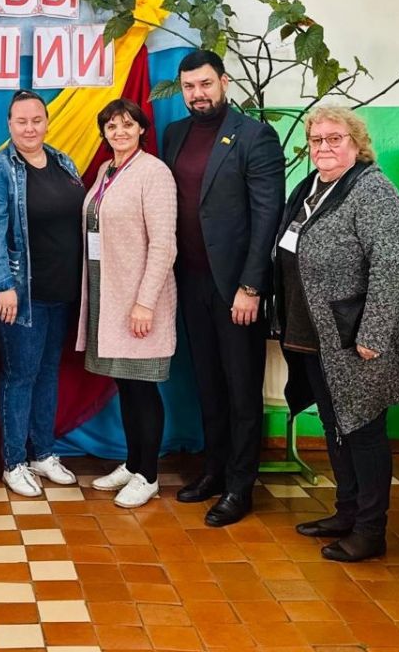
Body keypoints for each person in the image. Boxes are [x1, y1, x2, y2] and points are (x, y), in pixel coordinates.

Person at [274, 106, 399, 562]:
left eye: (335, 138)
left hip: (355, 335)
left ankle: (370, 531)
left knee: (363, 430)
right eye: (317, 139)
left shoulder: (374, 191)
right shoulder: (311, 187)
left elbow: (391, 267)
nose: (324, 147)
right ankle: (346, 512)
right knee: (336, 425)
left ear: (357, 144)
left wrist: (373, 334)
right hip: (314, 333)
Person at [161, 50, 285, 527]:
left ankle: (240, 486)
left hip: (236, 289)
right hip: (190, 281)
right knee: (207, 384)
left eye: (206, 84)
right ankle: (213, 471)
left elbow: (266, 217)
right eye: (189, 87)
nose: (198, 94)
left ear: (224, 82)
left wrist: (251, 286)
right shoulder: (175, 134)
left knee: (241, 388)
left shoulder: (255, 135)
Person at [0, 89, 85, 498]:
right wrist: (2, 286)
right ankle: (14, 461)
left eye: (36, 120)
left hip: (62, 291)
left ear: (46, 122)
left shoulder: (63, 161)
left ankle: (43, 452)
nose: (29, 128)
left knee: (48, 372)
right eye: (21, 121)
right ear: (9, 124)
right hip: (20, 297)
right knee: (20, 375)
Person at [78, 99, 178, 508]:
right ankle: (133, 462)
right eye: (112, 126)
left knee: (142, 386)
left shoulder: (154, 173)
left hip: (138, 298)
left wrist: (145, 303)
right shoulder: (107, 170)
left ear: (141, 129)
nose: (119, 132)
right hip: (108, 292)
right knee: (124, 383)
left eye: (127, 124)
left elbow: (164, 244)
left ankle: (148, 474)